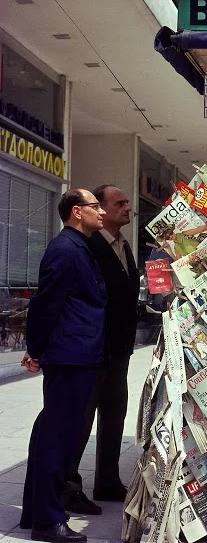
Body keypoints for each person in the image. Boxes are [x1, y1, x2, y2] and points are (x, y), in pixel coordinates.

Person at [20, 189, 108, 543]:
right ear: (76, 212)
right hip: (70, 356)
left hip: (78, 354)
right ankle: (47, 521)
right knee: (57, 440)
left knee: (50, 435)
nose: (100, 212)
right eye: (94, 206)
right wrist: (35, 348)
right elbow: (45, 303)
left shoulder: (78, 246)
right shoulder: (65, 249)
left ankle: (36, 511)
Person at [62, 185, 140, 515]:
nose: (128, 207)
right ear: (102, 210)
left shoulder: (124, 245)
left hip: (119, 349)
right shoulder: (87, 246)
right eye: (119, 203)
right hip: (93, 349)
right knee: (81, 420)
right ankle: (68, 487)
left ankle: (107, 481)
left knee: (114, 415)